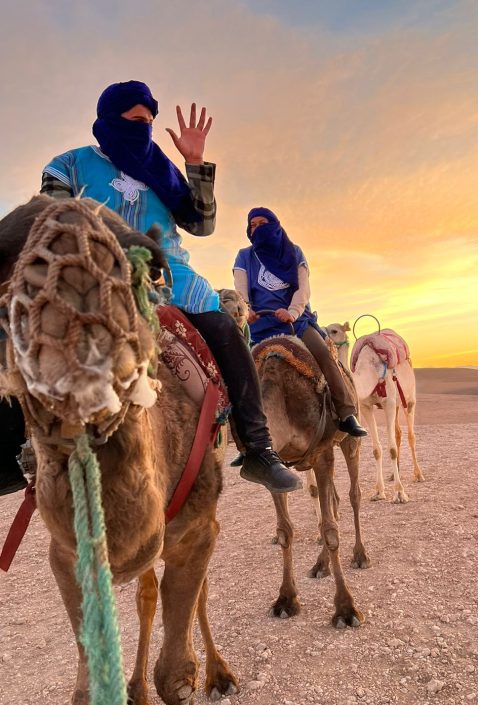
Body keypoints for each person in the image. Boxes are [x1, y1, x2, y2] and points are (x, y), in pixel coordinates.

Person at [0, 80, 301, 496]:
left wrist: (194, 163)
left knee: (224, 330)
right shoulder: (70, 164)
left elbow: (201, 224)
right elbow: (52, 221)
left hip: (168, 275)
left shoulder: (162, 169)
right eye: (135, 120)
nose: (143, 129)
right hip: (95, 273)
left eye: (149, 122)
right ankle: (14, 451)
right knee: (22, 328)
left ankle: (257, 447)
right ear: (109, 120)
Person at [232, 207, 368, 454]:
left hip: (296, 322)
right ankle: (245, 437)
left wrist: (292, 312)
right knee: (239, 370)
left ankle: (346, 414)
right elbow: (240, 289)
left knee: (324, 355)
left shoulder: (294, 253)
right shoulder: (244, 256)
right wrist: (247, 309)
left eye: (263, 223)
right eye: (253, 225)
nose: (258, 228)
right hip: (259, 325)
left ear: (275, 226)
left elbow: (303, 289)